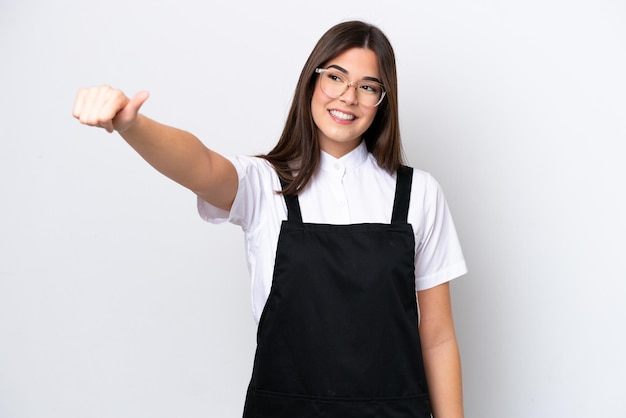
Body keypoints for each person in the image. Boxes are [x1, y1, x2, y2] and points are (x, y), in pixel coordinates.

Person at [73, 20, 467, 418]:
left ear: (383, 100)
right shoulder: (264, 185)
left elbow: (436, 338)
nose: (348, 97)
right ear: (311, 82)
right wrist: (132, 125)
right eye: (335, 77)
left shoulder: (419, 193)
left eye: (367, 86)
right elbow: (200, 164)